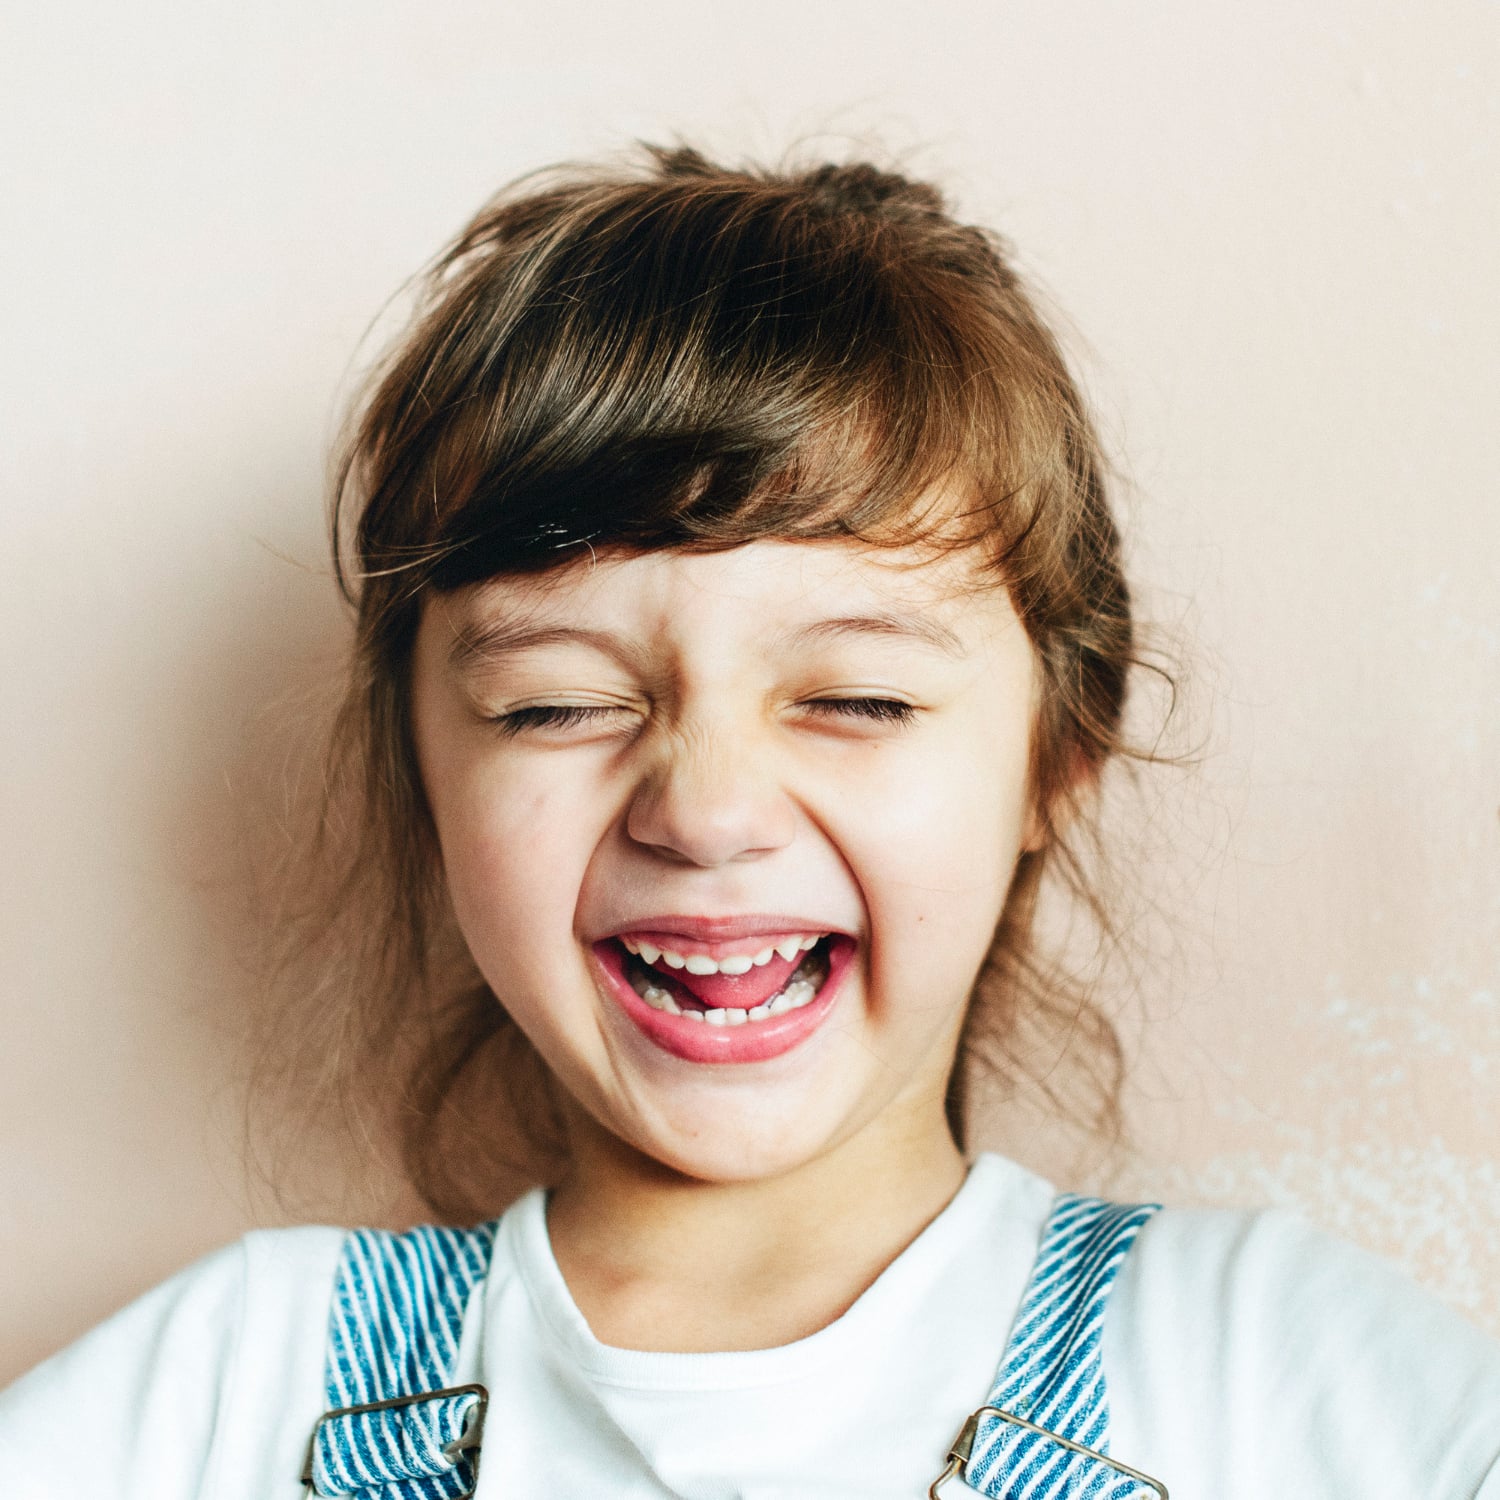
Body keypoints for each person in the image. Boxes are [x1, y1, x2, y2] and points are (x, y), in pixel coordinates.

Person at [1, 144, 1496, 1500]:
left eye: (855, 698)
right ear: (426, 780)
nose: (705, 811)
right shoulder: (216, 1401)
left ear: (1057, 760)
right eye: (554, 707)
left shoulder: (1278, 1382)